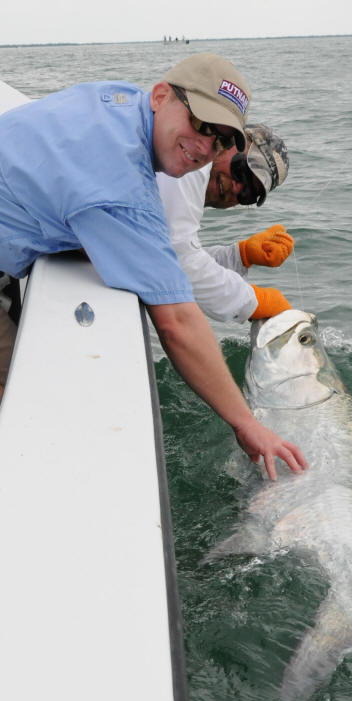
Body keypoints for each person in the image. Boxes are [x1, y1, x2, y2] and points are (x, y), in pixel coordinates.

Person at [0, 53, 307, 479]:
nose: (204, 147)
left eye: (219, 141)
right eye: (201, 125)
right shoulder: (122, 186)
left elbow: (160, 251)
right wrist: (247, 423)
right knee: (21, 398)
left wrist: (240, 256)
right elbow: (177, 321)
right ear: (161, 95)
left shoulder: (119, 104)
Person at [156, 123, 294, 324]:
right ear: (230, 142)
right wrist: (253, 303)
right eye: (242, 170)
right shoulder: (192, 167)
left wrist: (240, 255)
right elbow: (179, 261)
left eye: (248, 193)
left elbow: (167, 256)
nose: (237, 187)